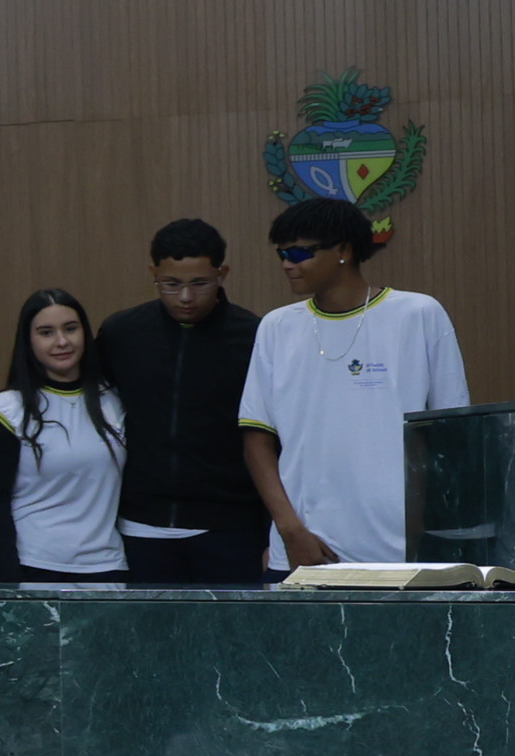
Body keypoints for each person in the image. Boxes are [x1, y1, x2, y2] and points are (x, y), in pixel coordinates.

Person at [242, 196, 469, 570]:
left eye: (299, 253)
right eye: (282, 254)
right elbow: (257, 438)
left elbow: (452, 437)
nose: (287, 264)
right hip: (305, 548)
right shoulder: (276, 327)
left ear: (343, 251)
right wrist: (289, 530)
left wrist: (423, 533)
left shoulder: (419, 315)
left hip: (399, 550)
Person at [96, 221, 265, 586]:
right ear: (153, 273)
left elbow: (272, 438)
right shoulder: (122, 333)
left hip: (231, 527)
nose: (185, 297)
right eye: (171, 284)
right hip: (140, 526)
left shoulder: (254, 336)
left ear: (222, 274)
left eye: (200, 283)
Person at [0, 290, 127, 585]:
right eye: (46, 332)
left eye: (70, 329)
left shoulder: (114, 401)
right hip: (30, 565)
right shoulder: (7, 408)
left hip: (105, 566)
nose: (61, 341)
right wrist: (9, 584)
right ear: (28, 340)